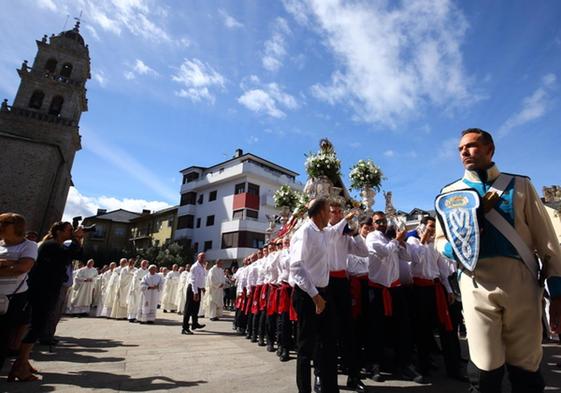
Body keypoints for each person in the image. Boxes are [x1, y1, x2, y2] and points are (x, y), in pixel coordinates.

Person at [434, 128, 561, 392]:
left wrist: (557, 292)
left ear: (490, 149)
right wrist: (454, 248)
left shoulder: (521, 185)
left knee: (525, 367)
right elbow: (439, 241)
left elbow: (547, 242)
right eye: (460, 149)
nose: (464, 153)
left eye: (472, 146)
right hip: (476, 282)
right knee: (484, 368)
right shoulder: (449, 194)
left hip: (521, 281)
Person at [289, 197, 355, 393]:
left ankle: (330, 389)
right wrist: (315, 296)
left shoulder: (324, 232)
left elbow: (335, 231)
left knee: (328, 343)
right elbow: (296, 267)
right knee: (305, 348)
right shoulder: (304, 232)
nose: (331, 214)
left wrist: (349, 217)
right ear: (320, 213)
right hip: (307, 295)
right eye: (329, 211)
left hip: (323, 294)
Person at [10, 221, 83, 382]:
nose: (71, 232)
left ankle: (23, 360)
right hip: (43, 289)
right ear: (59, 232)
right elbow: (69, 254)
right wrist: (77, 238)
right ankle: (20, 365)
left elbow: (76, 254)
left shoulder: (55, 245)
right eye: (69, 230)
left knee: (36, 324)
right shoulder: (51, 245)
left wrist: (78, 239)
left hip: (46, 288)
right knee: (37, 324)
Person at [365, 211, 424, 384]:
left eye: (383, 221)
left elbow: (407, 257)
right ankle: (374, 364)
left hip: (395, 288)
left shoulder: (391, 238)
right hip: (377, 289)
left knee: (403, 328)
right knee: (376, 329)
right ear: (373, 223)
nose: (381, 224)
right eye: (377, 222)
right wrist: (397, 240)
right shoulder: (371, 238)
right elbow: (383, 252)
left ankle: (405, 364)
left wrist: (402, 242)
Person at [406, 216, 463, 381]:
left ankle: (453, 366)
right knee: (423, 329)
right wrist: (423, 240)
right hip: (419, 290)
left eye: (434, 227)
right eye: (430, 226)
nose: (432, 230)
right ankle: (424, 367)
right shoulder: (412, 241)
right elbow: (416, 259)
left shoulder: (433, 244)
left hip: (435, 288)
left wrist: (448, 289)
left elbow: (441, 268)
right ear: (422, 226)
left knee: (447, 327)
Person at [0, 213, 37, 377]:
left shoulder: (28, 245)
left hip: (13, 296)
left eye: (3, 223)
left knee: (3, 335)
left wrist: (9, 264)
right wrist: (11, 264)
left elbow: (23, 268)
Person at [181, 253, 206, 334]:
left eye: (204, 257)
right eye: (201, 257)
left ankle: (194, 324)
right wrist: (195, 292)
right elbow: (193, 281)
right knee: (188, 309)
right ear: (197, 257)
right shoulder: (195, 267)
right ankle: (185, 328)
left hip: (197, 288)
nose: (203, 258)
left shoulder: (202, 267)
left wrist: (202, 287)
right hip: (192, 289)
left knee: (196, 308)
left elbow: (200, 279)